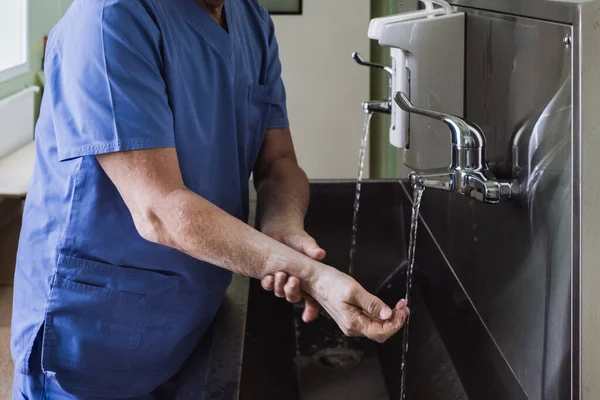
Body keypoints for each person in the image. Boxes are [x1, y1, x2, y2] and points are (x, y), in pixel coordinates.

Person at [11, 0, 409, 398]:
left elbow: (279, 161)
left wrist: (283, 226)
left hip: (188, 318)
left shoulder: (250, 20)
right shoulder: (109, 18)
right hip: (95, 332)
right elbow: (158, 210)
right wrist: (313, 277)